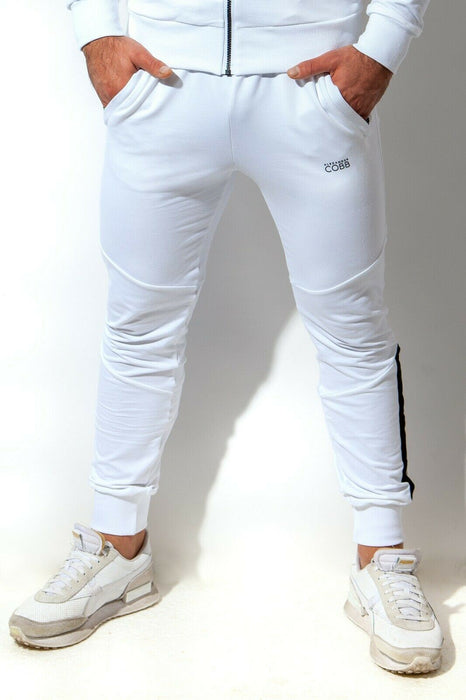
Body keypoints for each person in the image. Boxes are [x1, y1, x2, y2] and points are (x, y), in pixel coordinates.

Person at [9, 0, 443, 673]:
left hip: (312, 86)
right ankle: (116, 547)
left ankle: (382, 554)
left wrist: (381, 47)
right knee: (137, 325)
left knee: (353, 329)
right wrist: (96, 35)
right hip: (162, 81)